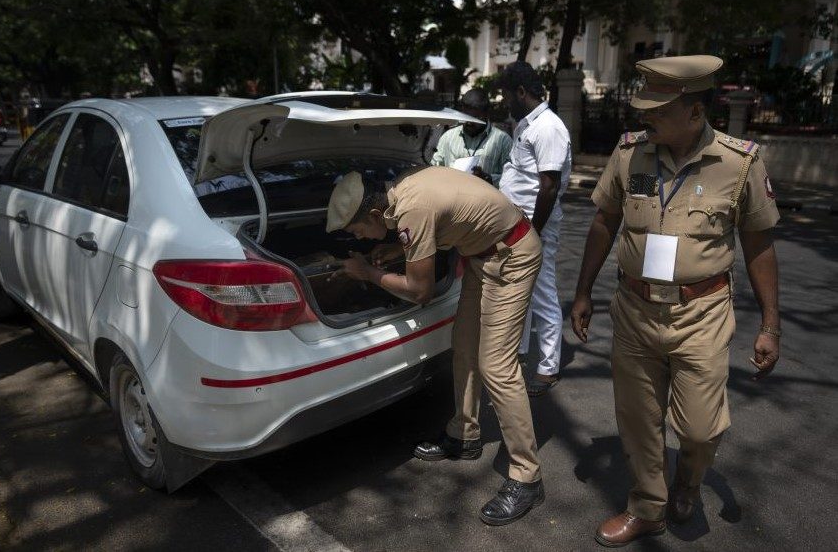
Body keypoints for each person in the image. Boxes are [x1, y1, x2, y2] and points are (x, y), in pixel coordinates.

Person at [567, 55, 781, 547]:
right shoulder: (629, 154)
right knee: (638, 420)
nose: (646, 117)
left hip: (701, 314)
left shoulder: (739, 162)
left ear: (694, 112)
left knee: (702, 429)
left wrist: (770, 325)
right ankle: (647, 506)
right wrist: (582, 292)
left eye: (658, 110)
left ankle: (688, 480)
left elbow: (759, 247)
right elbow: (604, 223)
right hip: (635, 309)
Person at [327, 167, 545, 525]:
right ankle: (465, 434)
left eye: (358, 230)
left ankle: (527, 476)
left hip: (513, 256)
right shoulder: (399, 192)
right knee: (464, 346)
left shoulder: (412, 209)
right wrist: (399, 247)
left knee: (497, 367)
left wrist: (369, 273)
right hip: (482, 255)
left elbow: (419, 291)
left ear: (373, 214)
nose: (361, 238)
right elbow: (436, 227)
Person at [496, 61, 573, 395]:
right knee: (522, 291)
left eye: (506, 95)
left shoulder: (549, 128)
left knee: (541, 294)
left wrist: (533, 231)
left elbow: (549, 187)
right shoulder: (527, 125)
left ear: (521, 92)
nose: (504, 102)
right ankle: (523, 352)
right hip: (519, 224)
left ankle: (547, 369)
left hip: (533, 226)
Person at [431, 88, 512, 183]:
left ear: (487, 114)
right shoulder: (447, 137)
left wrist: (488, 178)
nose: (469, 123)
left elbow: (511, 178)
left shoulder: (503, 141)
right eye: (466, 117)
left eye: (475, 118)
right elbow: (434, 168)